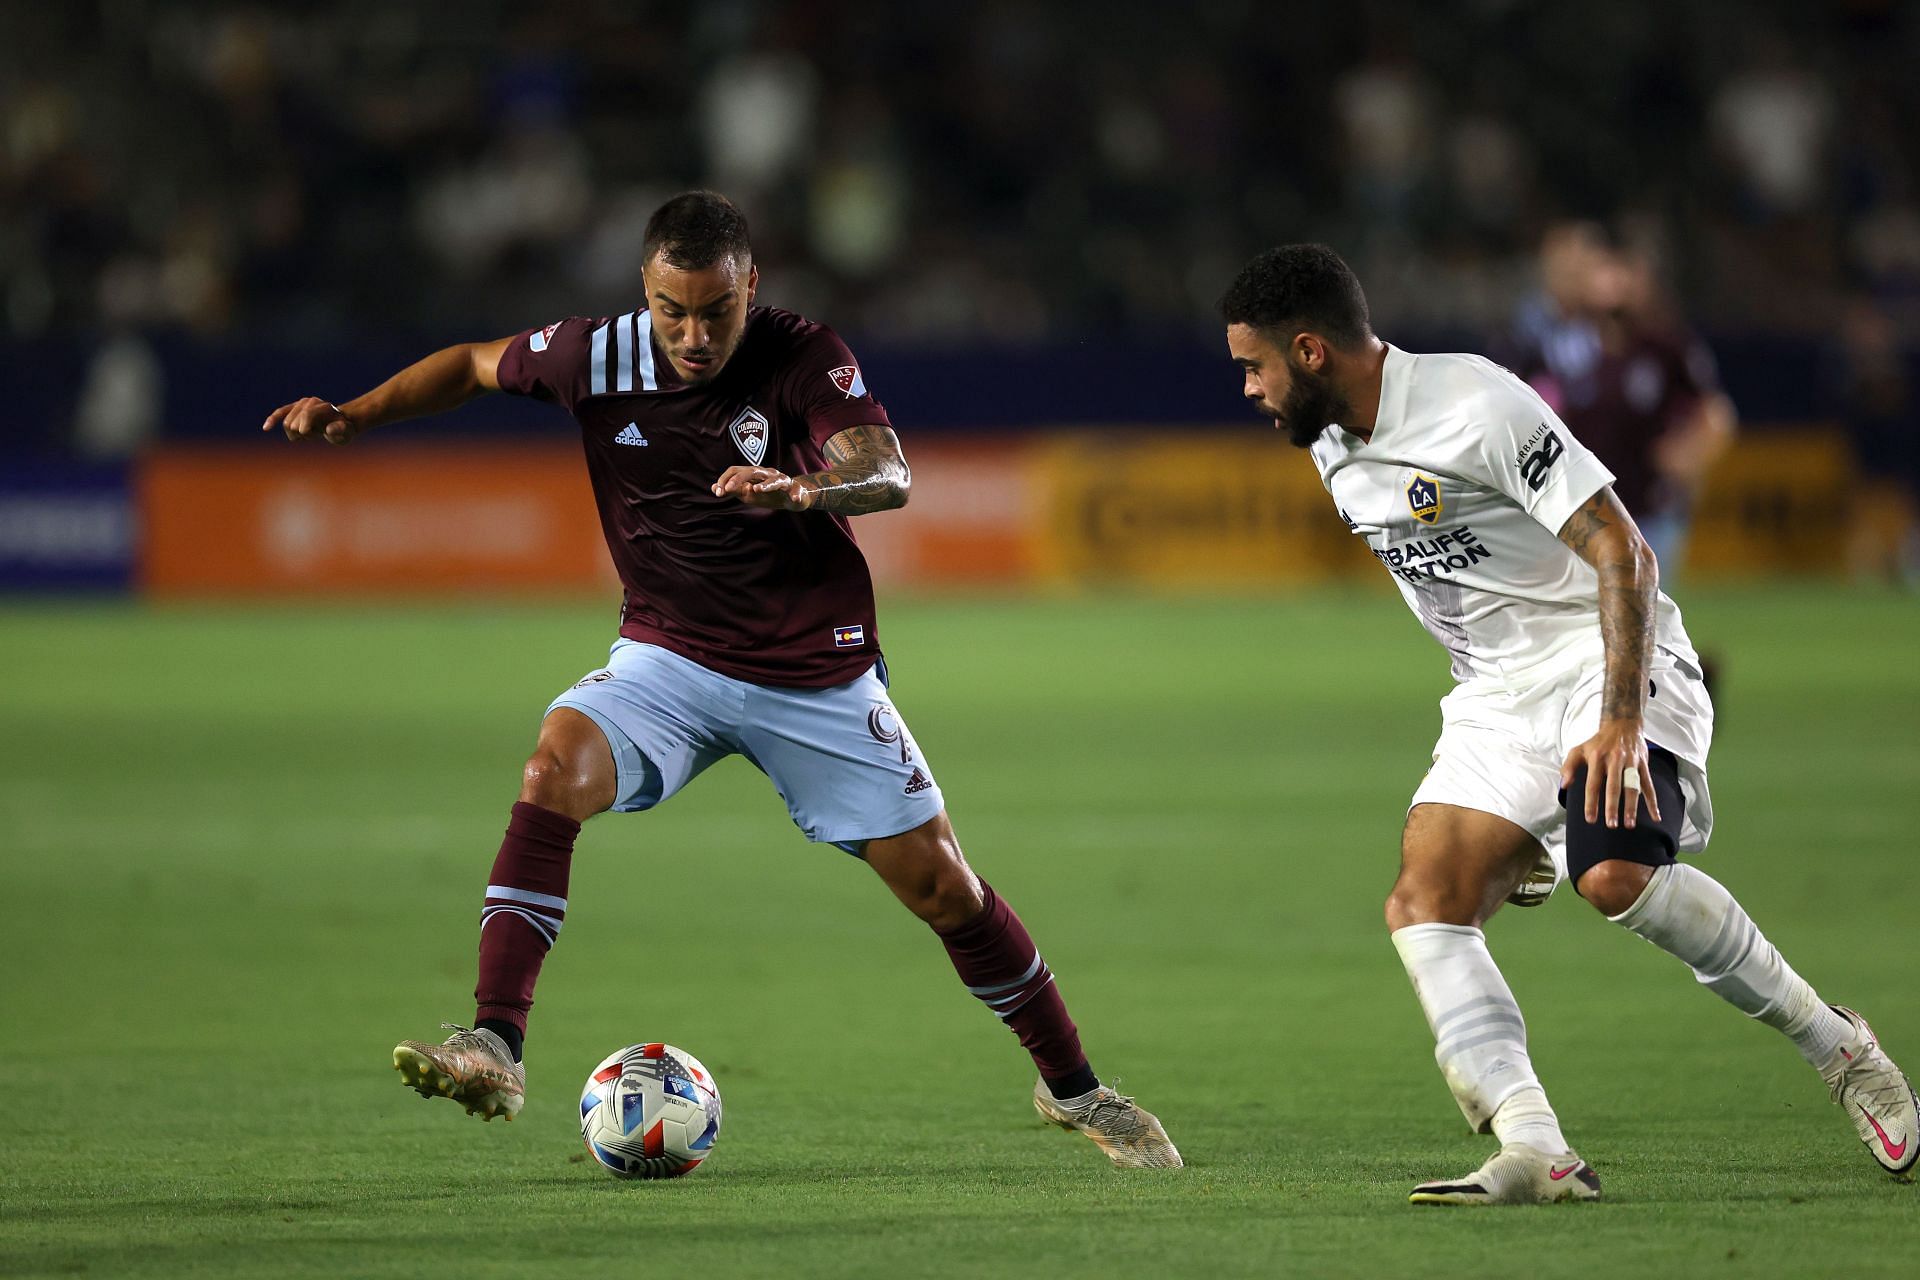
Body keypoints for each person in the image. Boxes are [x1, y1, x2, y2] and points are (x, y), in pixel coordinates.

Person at [262, 191, 1180, 1170]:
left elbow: (888, 471)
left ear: (753, 288)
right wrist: (356, 413)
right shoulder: (594, 354)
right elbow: (474, 364)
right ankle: (495, 1040)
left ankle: (1075, 1087)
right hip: (668, 659)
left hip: (813, 672)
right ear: (644, 293)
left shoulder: (802, 353)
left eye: (715, 310)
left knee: (943, 887)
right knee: (552, 769)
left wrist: (804, 487)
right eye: (673, 310)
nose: (694, 335)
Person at [1220, 244, 1915, 1204]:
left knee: (1617, 876)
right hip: (1495, 697)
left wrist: (1619, 720)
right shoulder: (1333, 442)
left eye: (1252, 366)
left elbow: (1624, 551)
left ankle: (1841, 1049)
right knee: (1425, 904)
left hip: (1610, 657)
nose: (1247, 388)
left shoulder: (1476, 404)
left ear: (1307, 352)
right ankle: (1534, 1148)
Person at [1515, 234, 1737, 580]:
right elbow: (1530, 407)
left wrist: (1689, 456)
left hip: (1649, 506)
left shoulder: (1663, 346)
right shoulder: (1560, 346)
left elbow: (1714, 411)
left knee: (1644, 612)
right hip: (1581, 505)